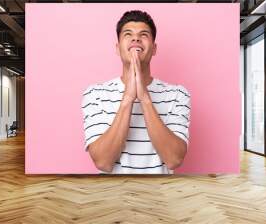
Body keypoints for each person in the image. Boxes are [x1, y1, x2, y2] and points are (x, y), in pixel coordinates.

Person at [81, 10, 191, 174]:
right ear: (118, 49)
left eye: (144, 34)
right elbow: (103, 162)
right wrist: (128, 99)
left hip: (160, 197)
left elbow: (174, 159)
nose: (136, 38)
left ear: (154, 49)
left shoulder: (178, 95)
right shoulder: (95, 94)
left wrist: (144, 97)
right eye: (128, 34)